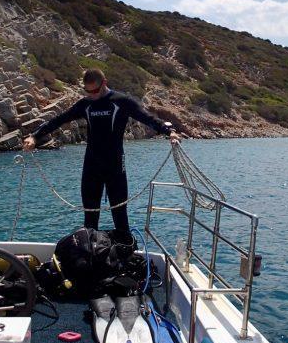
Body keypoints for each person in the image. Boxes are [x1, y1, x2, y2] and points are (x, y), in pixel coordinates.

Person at [23, 68, 180, 234]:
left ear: (104, 83)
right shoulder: (86, 104)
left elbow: (147, 117)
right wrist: (34, 136)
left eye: (95, 91)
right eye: (87, 91)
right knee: (90, 218)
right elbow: (59, 120)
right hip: (92, 166)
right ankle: (91, 254)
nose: (92, 95)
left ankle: (123, 251)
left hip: (115, 165)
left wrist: (170, 132)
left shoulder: (121, 101)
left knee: (120, 215)